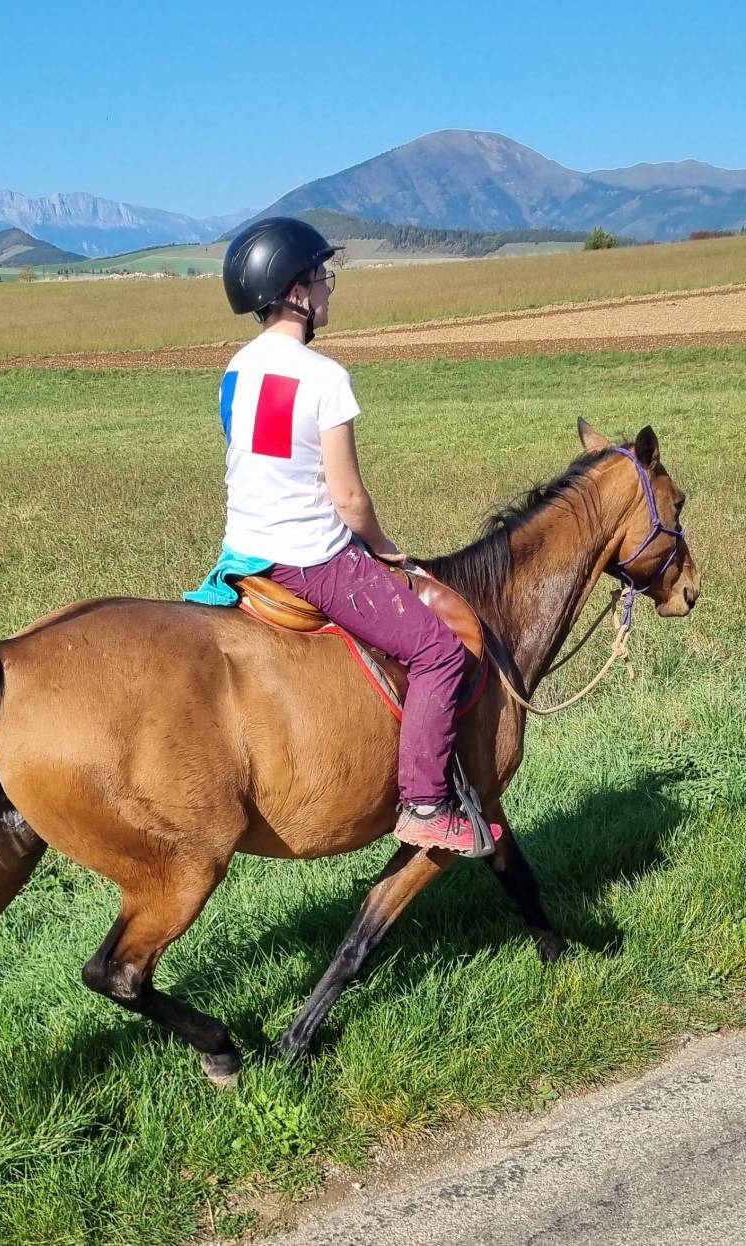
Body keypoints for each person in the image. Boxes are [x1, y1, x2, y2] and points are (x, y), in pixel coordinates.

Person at [195, 216, 489, 856]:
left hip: (244, 555)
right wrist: (382, 547)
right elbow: (348, 498)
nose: (329, 286)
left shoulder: (235, 372)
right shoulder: (323, 376)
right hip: (309, 559)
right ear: (295, 290)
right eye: (321, 275)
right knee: (438, 653)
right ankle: (424, 806)